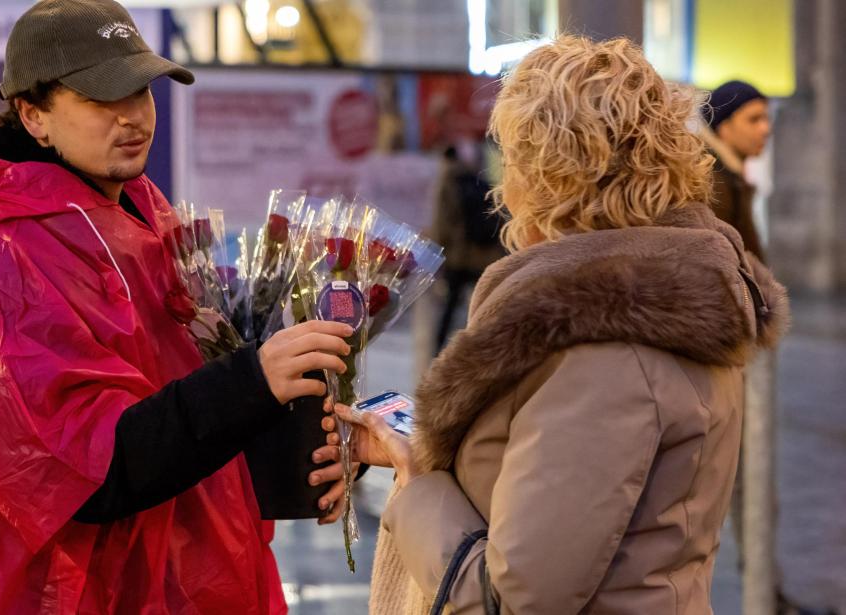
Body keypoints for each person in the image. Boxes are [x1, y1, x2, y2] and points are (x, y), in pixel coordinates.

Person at [0, 0, 352, 612]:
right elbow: (82, 472)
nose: (133, 117)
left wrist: (294, 456)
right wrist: (252, 383)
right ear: (33, 114)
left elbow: (171, 413)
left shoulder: (140, 214)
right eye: (102, 99)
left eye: (141, 92)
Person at [329, 36, 789, 614]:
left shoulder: (606, 345)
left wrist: (417, 480)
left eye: (515, 154)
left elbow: (517, 598)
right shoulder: (654, 303)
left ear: (545, 171)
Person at [431, 144, 505, 350]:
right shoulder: (480, 179)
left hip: (459, 256)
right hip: (482, 255)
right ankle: (485, 347)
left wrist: (439, 253)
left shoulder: (448, 180)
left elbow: (442, 221)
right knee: (483, 306)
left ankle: (438, 352)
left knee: (450, 307)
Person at [700, 80, 771, 262]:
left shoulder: (731, 176)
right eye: (754, 119)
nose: (766, 129)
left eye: (766, 118)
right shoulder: (712, 183)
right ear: (724, 127)